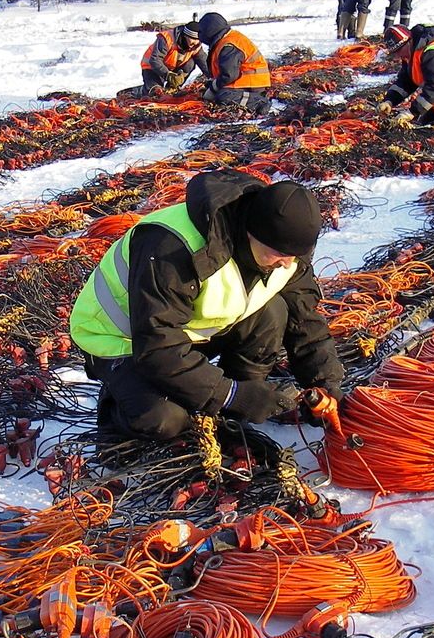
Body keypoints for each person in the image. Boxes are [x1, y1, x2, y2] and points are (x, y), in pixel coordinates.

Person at [70, 169, 345, 440]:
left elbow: (305, 320)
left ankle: (236, 410)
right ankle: (118, 409)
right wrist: (230, 395)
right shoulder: (172, 248)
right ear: (252, 233)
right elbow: (158, 348)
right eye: (281, 255)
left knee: (273, 313)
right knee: (164, 420)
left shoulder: (285, 250)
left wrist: (325, 382)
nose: (288, 263)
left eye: (295, 256)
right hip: (122, 340)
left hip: (184, 333)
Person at [196, 12, 272, 115]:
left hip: (253, 84)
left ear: (209, 31)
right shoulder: (226, 39)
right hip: (244, 82)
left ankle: (259, 103)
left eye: (201, 32)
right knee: (215, 90)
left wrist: (214, 88)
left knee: (223, 97)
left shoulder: (229, 45)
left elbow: (229, 75)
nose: (199, 35)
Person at [140, 21, 208, 94]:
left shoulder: (196, 46)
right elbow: (155, 60)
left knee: (190, 63)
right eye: (193, 39)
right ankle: (141, 90)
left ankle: (173, 88)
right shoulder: (167, 39)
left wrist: (215, 77)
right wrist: (168, 74)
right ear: (185, 36)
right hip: (151, 68)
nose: (195, 42)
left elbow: (205, 64)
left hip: (172, 69)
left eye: (198, 40)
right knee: (156, 93)